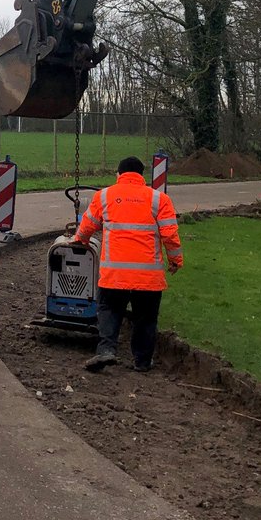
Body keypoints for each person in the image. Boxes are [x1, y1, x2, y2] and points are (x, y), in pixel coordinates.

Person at [73, 156, 183, 373]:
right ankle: (142, 361)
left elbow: (87, 226)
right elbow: (170, 235)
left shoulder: (104, 196)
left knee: (109, 311)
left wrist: (79, 241)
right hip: (148, 278)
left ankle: (106, 350)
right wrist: (175, 261)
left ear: (119, 174)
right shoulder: (159, 199)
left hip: (114, 275)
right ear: (141, 176)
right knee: (146, 318)